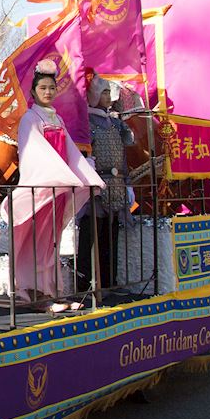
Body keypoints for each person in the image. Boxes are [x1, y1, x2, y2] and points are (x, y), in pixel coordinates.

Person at [3, 60, 103, 309]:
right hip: (41, 188)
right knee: (36, 242)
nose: (47, 92)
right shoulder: (30, 119)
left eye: (51, 88)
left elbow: (70, 152)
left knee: (52, 243)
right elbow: (35, 153)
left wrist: (85, 175)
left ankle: (54, 291)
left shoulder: (57, 119)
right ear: (33, 92)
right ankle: (36, 294)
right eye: (42, 88)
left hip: (58, 187)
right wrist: (61, 175)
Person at [79, 76, 134, 295]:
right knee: (90, 235)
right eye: (104, 92)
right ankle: (85, 285)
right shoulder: (85, 123)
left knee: (110, 236)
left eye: (109, 92)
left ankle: (109, 281)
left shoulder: (116, 124)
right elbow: (81, 152)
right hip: (96, 186)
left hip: (116, 185)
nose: (108, 97)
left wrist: (127, 183)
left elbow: (123, 157)